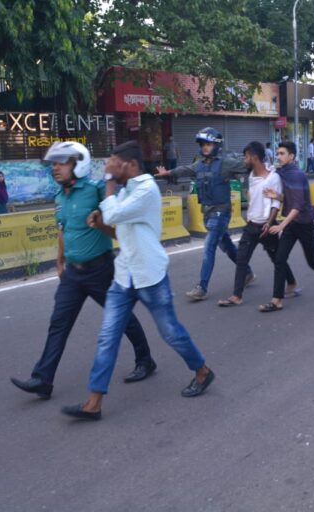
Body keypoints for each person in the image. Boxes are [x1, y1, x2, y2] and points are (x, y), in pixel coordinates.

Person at [61, 141, 215, 421]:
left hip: (150, 275)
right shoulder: (127, 190)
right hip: (124, 275)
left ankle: (202, 371)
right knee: (107, 336)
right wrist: (100, 224)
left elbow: (115, 212)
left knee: (170, 332)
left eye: (113, 163)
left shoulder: (146, 189)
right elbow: (120, 231)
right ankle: (93, 402)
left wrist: (107, 183)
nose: (108, 168)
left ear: (130, 165)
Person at [10, 142, 156, 400]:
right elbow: (63, 230)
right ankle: (43, 379)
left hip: (101, 269)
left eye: (61, 163)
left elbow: (118, 215)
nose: (55, 168)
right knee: (59, 323)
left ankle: (145, 360)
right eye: (53, 164)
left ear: (78, 164)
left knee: (121, 318)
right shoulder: (60, 196)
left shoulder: (96, 190)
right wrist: (60, 261)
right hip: (73, 274)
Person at [156, 127, 252, 301]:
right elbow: (184, 169)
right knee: (227, 246)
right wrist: (167, 173)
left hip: (221, 212)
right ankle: (247, 272)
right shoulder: (200, 164)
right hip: (207, 212)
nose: (205, 147)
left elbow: (248, 165)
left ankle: (202, 287)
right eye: (202, 144)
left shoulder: (226, 163)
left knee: (209, 247)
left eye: (208, 144)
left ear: (216, 144)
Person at [258, 141, 314, 313]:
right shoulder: (284, 172)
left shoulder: (295, 174)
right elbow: (290, 199)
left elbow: (297, 206)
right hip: (292, 222)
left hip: (303, 223)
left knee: (312, 261)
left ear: (292, 156)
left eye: (282, 153)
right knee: (280, 259)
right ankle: (277, 300)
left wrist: (281, 226)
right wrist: (278, 197)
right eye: (278, 153)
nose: (278, 156)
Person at [217, 142, 299, 307]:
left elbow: (276, 204)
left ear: (254, 157)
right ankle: (236, 296)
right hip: (251, 225)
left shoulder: (273, 177)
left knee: (276, 258)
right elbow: (251, 197)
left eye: (246, 156)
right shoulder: (250, 176)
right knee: (241, 260)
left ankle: (291, 282)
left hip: (267, 226)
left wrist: (269, 223)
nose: (244, 159)